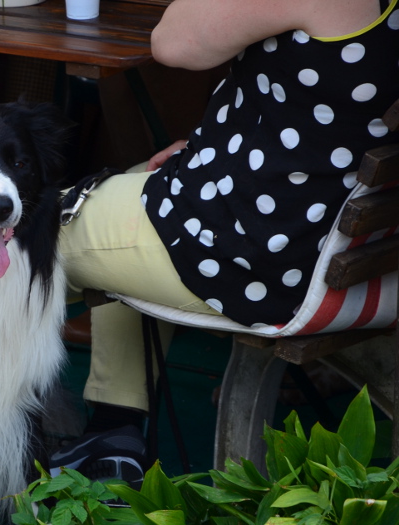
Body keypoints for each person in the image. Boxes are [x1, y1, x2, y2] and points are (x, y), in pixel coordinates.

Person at [50, 0, 399, 484]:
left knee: (4, 239)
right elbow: (332, 112)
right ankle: (115, 431)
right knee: (134, 176)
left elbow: (172, 43)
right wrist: (213, 146)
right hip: (354, 256)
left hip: (256, 258)